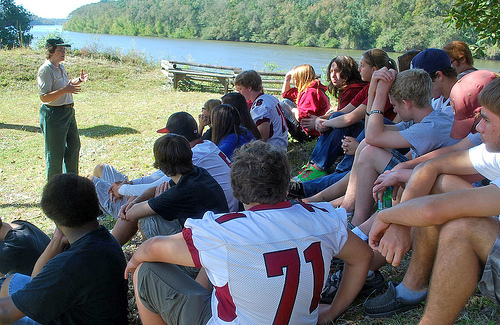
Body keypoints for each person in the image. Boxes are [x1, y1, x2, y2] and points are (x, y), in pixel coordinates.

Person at [124, 140, 372, 325]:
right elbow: (362, 257)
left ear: (236, 189)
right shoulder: (323, 219)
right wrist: (331, 312)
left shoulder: (221, 231)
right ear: (286, 184)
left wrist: (136, 259)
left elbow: (150, 248)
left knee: (146, 271)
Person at [365, 77, 500, 324]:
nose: (478, 128)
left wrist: (388, 216)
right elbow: (431, 166)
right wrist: (400, 224)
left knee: (461, 228)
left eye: (486, 120)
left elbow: (434, 211)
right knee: (439, 182)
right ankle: (411, 287)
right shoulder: (495, 151)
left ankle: (366, 266)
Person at [0, 173, 128, 324]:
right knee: (14, 280)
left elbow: (5, 313)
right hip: (87, 313)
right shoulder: (104, 239)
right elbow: (37, 281)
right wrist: (57, 241)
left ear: (54, 218)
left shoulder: (68, 266)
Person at [91, 111, 239, 219]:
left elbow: (156, 186)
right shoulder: (204, 147)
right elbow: (156, 178)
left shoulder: (193, 161)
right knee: (101, 169)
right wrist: (128, 184)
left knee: (92, 183)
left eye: (168, 136)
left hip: (212, 218)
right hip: (215, 211)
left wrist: (123, 190)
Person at [293, 50, 397, 186]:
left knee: (340, 121)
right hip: (369, 131)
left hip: (382, 137)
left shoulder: (384, 87)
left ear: (374, 70)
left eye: (362, 65)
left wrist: (326, 123)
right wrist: (321, 119)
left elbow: (351, 118)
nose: (359, 69)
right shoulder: (368, 87)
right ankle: (315, 166)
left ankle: (325, 169)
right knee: (337, 117)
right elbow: (345, 111)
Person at [112, 133, 229, 246]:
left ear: (161, 167)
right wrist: (133, 202)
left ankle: (159, 263)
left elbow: (131, 214)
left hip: (204, 251)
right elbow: (154, 189)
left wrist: (131, 207)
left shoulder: (180, 192)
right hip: (216, 238)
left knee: (147, 219)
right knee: (143, 202)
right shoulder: (197, 173)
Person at [37, 37, 88, 180]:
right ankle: (54, 192)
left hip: (68, 112)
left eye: (64, 50)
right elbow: (44, 97)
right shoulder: (45, 70)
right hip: (54, 114)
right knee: (55, 154)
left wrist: (78, 80)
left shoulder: (60, 67)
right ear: (51, 51)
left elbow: (65, 86)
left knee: (73, 148)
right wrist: (66, 90)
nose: (64, 52)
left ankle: (71, 184)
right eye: (60, 50)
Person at [234, 70, 288, 149]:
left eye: (240, 89)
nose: (238, 92)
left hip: (271, 151)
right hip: (279, 146)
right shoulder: (269, 98)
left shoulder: (260, 107)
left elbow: (262, 138)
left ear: (249, 88)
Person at [280, 64, 330, 140]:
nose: (294, 81)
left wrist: (295, 110)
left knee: (282, 105)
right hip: (312, 129)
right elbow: (285, 94)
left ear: (301, 78)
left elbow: (304, 118)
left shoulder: (310, 92)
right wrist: (287, 78)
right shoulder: (311, 88)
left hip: (308, 134)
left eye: (295, 78)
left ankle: (281, 136)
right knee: (286, 101)